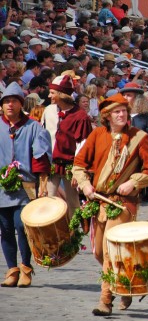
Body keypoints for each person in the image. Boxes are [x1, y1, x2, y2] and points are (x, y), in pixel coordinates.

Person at [73, 93, 148, 315]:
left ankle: (105, 300)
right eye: (117, 111)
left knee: (111, 252)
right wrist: (85, 185)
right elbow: (79, 163)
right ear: (107, 116)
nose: (122, 114)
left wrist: (133, 182)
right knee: (98, 252)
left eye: (124, 110)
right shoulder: (97, 135)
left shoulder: (139, 137)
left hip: (123, 204)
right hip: (99, 201)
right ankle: (126, 285)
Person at [0, 83, 51, 288]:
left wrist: (43, 182)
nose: (10, 105)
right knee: (5, 228)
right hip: (2, 187)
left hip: (26, 186)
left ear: (21, 104)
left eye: (13, 101)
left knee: (22, 227)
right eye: (6, 101)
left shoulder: (34, 127)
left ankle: (25, 267)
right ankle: (12, 269)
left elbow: (41, 157)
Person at [42, 73, 93, 217]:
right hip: (52, 164)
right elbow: (43, 138)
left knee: (73, 202)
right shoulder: (49, 110)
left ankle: (73, 234)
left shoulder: (80, 116)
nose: (49, 96)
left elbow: (83, 145)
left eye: (52, 93)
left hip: (71, 165)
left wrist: (79, 169)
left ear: (61, 94)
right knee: (48, 199)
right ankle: (51, 233)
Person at [121, 82, 148, 148]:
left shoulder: (147, 117)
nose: (125, 98)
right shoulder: (120, 116)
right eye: (124, 95)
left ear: (137, 99)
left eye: (128, 95)